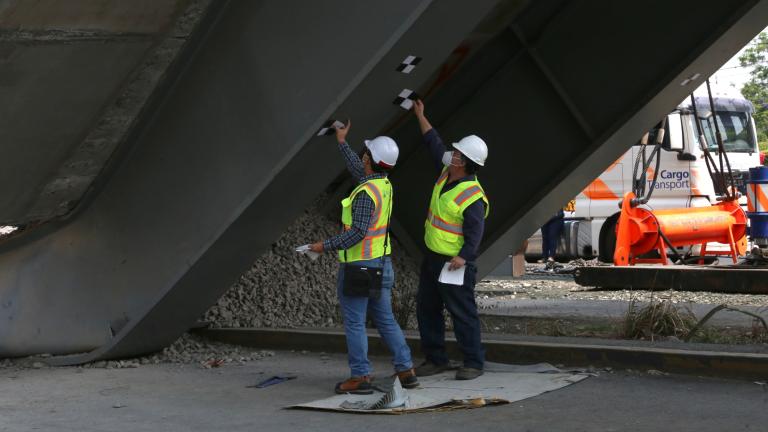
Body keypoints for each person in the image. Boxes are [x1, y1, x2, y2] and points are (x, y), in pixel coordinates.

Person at [309, 120, 417, 394]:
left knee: (356, 322)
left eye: (365, 153)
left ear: (370, 159)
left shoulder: (366, 195)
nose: (363, 156)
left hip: (359, 266)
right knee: (386, 319)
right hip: (382, 264)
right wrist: (342, 142)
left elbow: (356, 233)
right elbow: (361, 171)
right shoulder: (383, 184)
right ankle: (406, 370)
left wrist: (323, 246)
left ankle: (360, 377)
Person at [411, 100, 489, 381]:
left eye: (457, 153)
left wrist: (464, 257)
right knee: (427, 308)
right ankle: (435, 359)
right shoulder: (448, 171)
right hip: (434, 258)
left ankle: (473, 362)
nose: (451, 154)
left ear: (465, 163)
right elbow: (434, 143)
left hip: (454, 263)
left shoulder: (472, 197)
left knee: (462, 312)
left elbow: (475, 232)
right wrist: (421, 115)